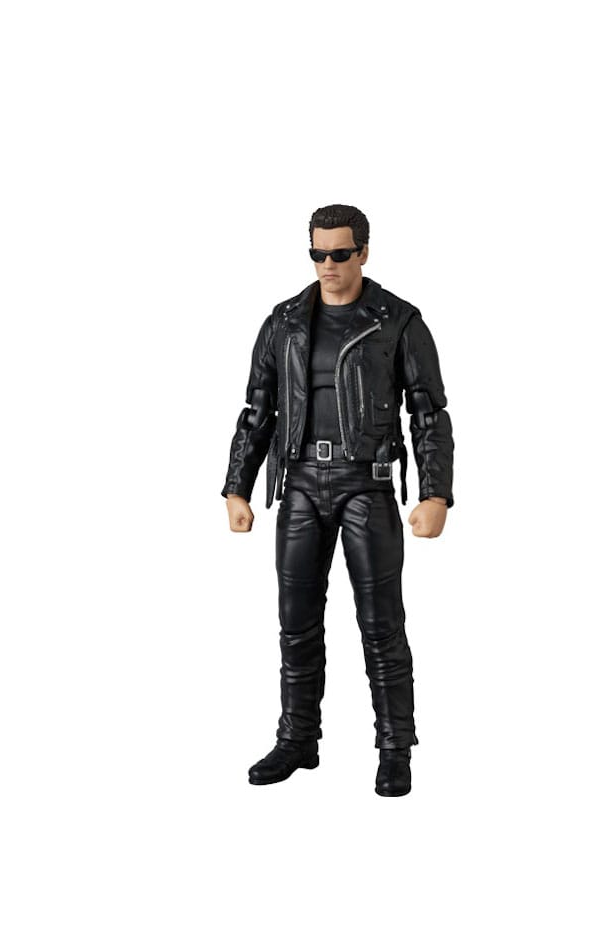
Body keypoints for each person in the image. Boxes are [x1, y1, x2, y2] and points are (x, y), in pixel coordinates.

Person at [221, 204, 454, 796]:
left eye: (340, 253)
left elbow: (429, 414)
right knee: (295, 623)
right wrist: (237, 485)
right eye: (318, 253)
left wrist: (435, 493)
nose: (328, 264)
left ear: (363, 253)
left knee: (381, 625)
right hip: (299, 482)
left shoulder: (397, 320)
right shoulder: (284, 322)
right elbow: (257, 409)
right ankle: (297, 738)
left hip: (365, 483)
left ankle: (395, 747)